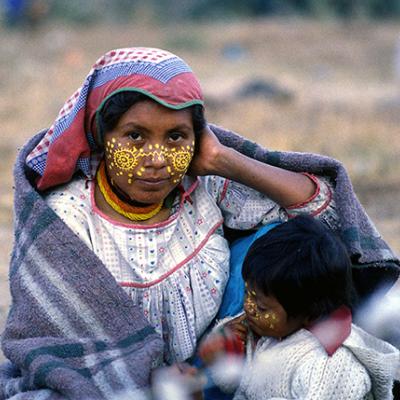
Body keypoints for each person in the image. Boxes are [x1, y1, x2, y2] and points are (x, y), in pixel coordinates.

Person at [0, 47, 398, 398]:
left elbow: (325, 216)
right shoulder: (65, 216)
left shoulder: (205, 185)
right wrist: (151, 379)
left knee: (288, 243)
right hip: (119, 384)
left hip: (217, 371)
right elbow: (58, 345)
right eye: (135, 136)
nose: (156, 158)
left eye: (175, 137)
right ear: (103, 137)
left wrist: (224, 161)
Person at [198, 215, 400, 399]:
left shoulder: (329, 367)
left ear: (310, 314)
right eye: (246, 292)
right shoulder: (269, 327)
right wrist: (225, 352)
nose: (248, 307)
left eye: (261, 307)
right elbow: (239, 384)